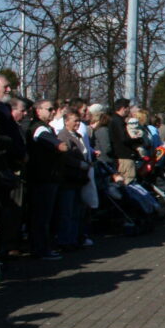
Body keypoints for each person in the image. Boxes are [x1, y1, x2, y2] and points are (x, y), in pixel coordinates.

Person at [25, 100, 69, 260]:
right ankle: (40, 249)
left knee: (44, 215)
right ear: (38, 111)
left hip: (46, 177)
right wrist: (61, 145)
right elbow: (51, 141)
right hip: (43, 178)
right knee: (42, 216)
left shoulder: (45, 127)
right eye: (49, 109)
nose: (52, 112)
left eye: (53, 109)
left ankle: (42, 247)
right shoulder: (39, 128)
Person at [55, 108, 91, 251]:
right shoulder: (63, 136)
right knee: (67, 211)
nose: (78, 123)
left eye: (79, 120)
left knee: (76, 211)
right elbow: (65, 157)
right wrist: (79, 164)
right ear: (66, 121)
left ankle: (74, 238)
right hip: (69, 178)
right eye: (75, 120)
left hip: (78, 179)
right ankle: (65, 240)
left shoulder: (77, 135)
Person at [109, 98, 141, 182]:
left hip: (121, 156)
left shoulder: (114, 120)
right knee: (128, 181)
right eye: (128, 108)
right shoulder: (118, 121)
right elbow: (124, 138)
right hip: (124, 157)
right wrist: (136, 140)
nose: (129, 110)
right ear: (123, 108)